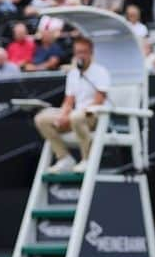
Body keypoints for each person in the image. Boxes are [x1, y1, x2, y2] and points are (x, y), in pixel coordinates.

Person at [33, 36, 110, 173]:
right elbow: (69, 101)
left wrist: (71, 116)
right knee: (41, 119)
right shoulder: (73, 74)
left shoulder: (101, 71)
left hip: (95, 114)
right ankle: (64, 158)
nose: (81, 55)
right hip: (76, 115)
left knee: (76, 117)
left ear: (91, 53)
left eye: (84, 52)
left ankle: (87, 160)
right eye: (78, 52)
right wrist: (63, 116)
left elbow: (99, 100)